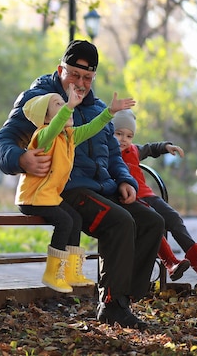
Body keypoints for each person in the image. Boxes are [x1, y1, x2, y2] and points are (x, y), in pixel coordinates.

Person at [0, 39, 164, 330]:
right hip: (63, 192)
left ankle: (124, 299)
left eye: (88, 78)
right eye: (75, 75)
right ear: (61, 69)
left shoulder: (97, 108)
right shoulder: (41, 100)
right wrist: (21, 159)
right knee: (119, 222)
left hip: (102, 190)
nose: (81, 83)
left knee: (151, 221)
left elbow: (113, 154)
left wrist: (123, 180)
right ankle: (112, 304)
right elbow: (1, 143)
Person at [17, 85, 136, 293]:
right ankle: (53, 274)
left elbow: (92, 127)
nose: (65, 106)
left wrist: (110, 112)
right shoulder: (44, 135)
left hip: (48, 197)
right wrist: (70, 106)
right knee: (65, 221)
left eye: (65, 104)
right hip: (32, 198)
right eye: (58, 104)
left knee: (76, 220)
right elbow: (54, 127)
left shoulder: (69, 137)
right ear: (45, 117)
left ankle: (71, 272)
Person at [112, 109, 197, 287]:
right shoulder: (108, 153)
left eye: (129, 135)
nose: (123, 139)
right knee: (153, 221)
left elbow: (151, 148)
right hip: (129, 199)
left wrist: (167, 146)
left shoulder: (134, 150)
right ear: (110, 133)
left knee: (174, 218)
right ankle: (171, 263)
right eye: (118, 133)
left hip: (147, 194)